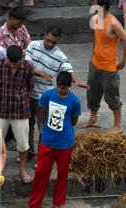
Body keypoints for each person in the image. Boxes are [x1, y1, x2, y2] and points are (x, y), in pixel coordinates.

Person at [17, 72, 81, 208]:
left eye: (64, 88)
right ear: (56, 84)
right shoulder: (47, 95)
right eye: (59, 86)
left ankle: (57, 204)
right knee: (40, 173)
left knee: (62, 174)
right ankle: (33, 204)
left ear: (70, 86)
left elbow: (73, 120)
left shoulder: (75, 101)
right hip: (47, 141)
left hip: (65, 143)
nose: (61, 90)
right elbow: (43, 113)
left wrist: (63, 131)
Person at [25, 25, 89, 160]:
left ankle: (41, 156)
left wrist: (76, 80)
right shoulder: (33, 46)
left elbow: (67, 68)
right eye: (48, 40)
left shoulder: (59, 55)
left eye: (54, 42)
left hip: (43, 96)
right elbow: (26, 65)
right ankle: (30, 153)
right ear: (44, 35)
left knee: (43, 127)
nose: (50, 44)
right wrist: (40, 73)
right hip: (27, 93)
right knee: (28, 126)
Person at [78, 0, 126, 134]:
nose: (91, 6)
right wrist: (92, 56)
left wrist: (123, 61)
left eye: (93, 3)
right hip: (95, 63)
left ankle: (117, 126)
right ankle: (93, 119)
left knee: (112, 96)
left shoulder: (113, 23)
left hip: (109, 67)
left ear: (102, 6)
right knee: (92, 92)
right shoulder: (97, 19)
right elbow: (97, 38)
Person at [0, 45, 34, 183]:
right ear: (6, 58)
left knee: (22, 142)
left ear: (21, 60)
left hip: (21, 108)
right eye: (10, 62)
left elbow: (30, 86)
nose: (13, 65)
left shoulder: (28, 67)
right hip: (1, 107)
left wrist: (18, 95)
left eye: (16, 63)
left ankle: (22, 169)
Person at [0, 7, 31, 151]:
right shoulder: (0, 34)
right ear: (11, 19)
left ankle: (16, 136)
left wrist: (18, 53)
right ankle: (8, 137)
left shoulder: (22, 28)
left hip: (22, 70)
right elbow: (5, 55)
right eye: (19, 22)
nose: (21, 25)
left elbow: (28, 42)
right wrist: (21, 52)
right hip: (8, 73)